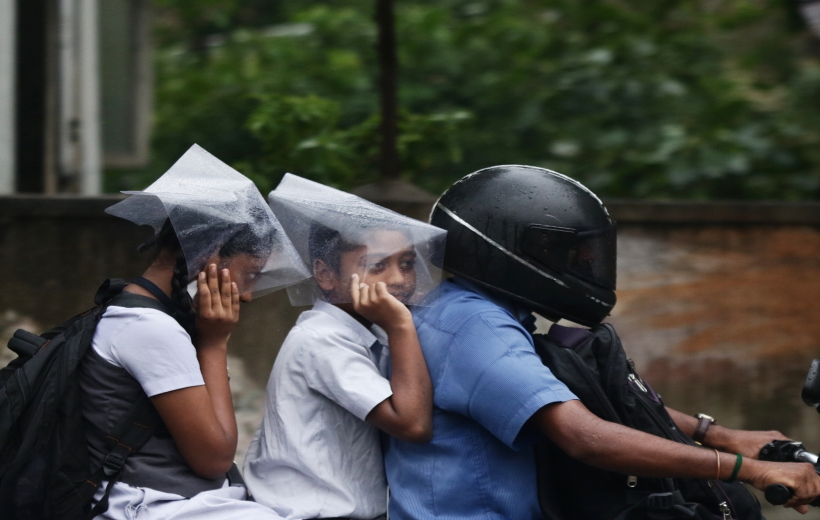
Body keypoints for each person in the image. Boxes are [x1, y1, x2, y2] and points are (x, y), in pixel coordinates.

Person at [382, 164, 820, 520]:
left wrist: (719, 434)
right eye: (573, 256)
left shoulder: (464, 308)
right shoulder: (475, 327)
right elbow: (585, 436)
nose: (587, 268)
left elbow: (585, 399)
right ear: (513, 253)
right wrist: (747, 470)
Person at [83, 144, 310, 520]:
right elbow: (215, 458)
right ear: (210, 253)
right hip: (147, 506)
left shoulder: (131, 309)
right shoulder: (149, 328)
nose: (250, 295)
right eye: (250, 274)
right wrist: (214, 343)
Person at [243, 174, 446, 520]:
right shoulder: (322, 339)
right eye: (376, 265)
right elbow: (413, 426)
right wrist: (400, 326)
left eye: (408, 264)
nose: (398, 279)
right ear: (325, 274)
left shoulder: (367, 333)